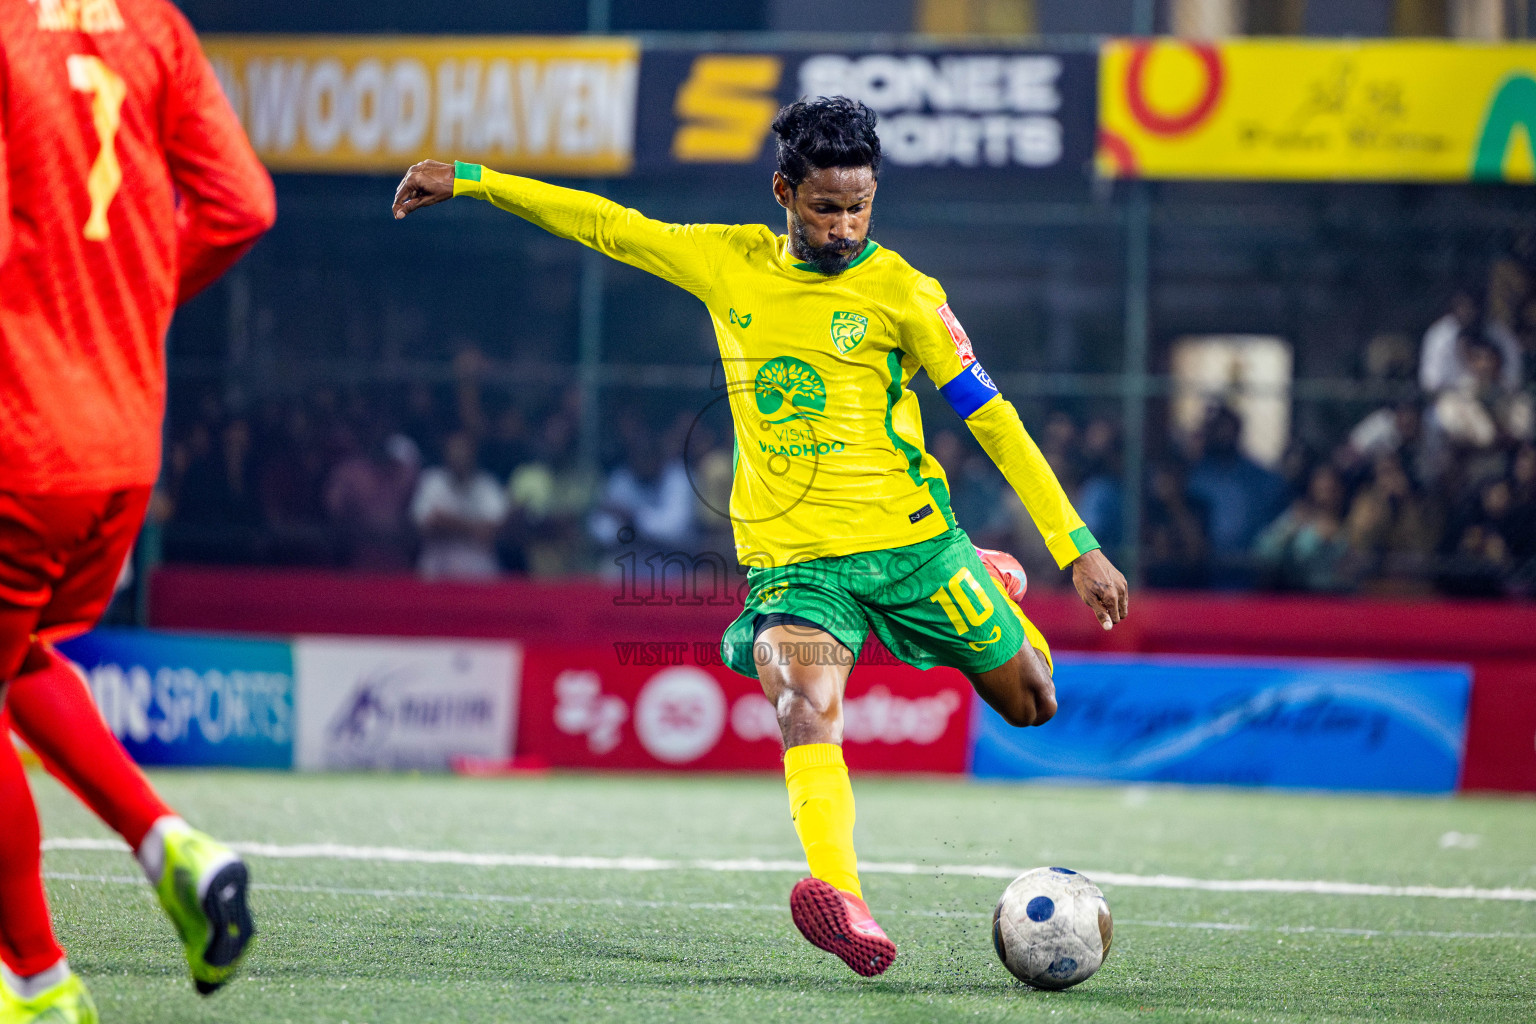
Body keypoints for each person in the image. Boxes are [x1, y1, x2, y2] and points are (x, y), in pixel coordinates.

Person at [393, 95, 1128, 977]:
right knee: (803, 707)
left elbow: (994, 420)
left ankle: (988, 574)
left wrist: (1073, 544)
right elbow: (606, 225)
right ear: (784, 190)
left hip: (915, 547)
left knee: (1033, 699)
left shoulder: (906, 293)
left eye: (860, 206)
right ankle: (844, 899)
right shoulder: (727, 262)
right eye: (825, 206)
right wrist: (473, 180)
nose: (845, 225)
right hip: (793, 566)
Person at [0, 2, 275, 1020]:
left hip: (18, 425)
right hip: (121, 434)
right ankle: (176, 852)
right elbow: (243, 204)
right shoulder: (152, 22)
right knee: (18, 652)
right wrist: (126, 303)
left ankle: (35, 981)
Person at [410, 431, 509, 580]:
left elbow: (491, 533)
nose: (459, 455)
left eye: (464, 449)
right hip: (437, 577)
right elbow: (426, 526)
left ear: (473, 452)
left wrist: (446, 521)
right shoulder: (431, 481)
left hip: (480, 579)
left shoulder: (488, 485)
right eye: (454, 449)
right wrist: (473, 527)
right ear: (445, 452)